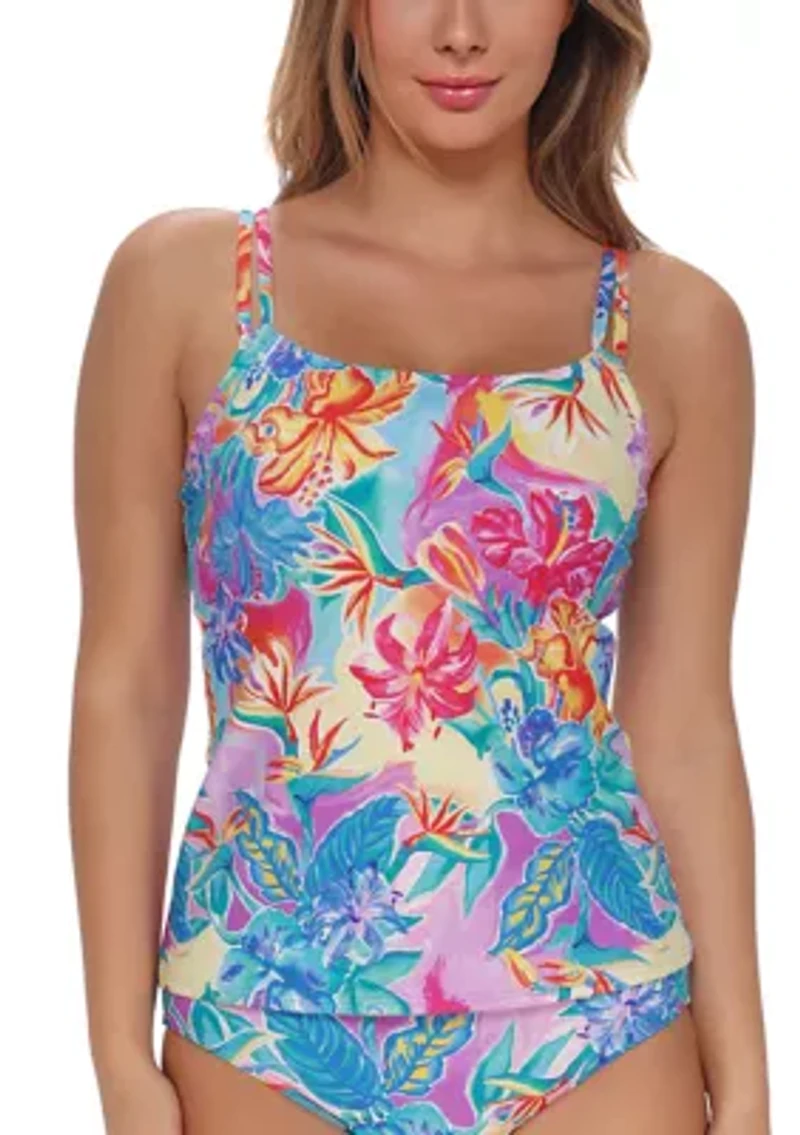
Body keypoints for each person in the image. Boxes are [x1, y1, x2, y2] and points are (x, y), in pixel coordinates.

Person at [69, 2, 770, 1133]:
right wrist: (116, 1055)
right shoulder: (187, 288)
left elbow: (683, 717)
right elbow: (126, 685)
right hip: (263, 1016)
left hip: (599, 1019)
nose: (460, 30)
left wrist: (744, 1083)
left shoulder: (675, 328)